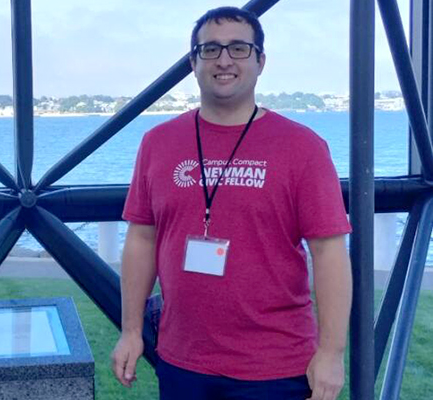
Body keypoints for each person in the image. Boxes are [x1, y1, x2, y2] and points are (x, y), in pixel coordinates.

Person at [111, 6, 352, 400]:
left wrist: (331, 353)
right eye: (210, 49)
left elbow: (328, 252)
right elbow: (142, 238)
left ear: (260, 61)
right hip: (182, 361)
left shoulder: (302, 147)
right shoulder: (158, 143)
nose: (224, 60)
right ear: (193, 63)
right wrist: (132, 331)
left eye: (239, 48)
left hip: (275, 366)